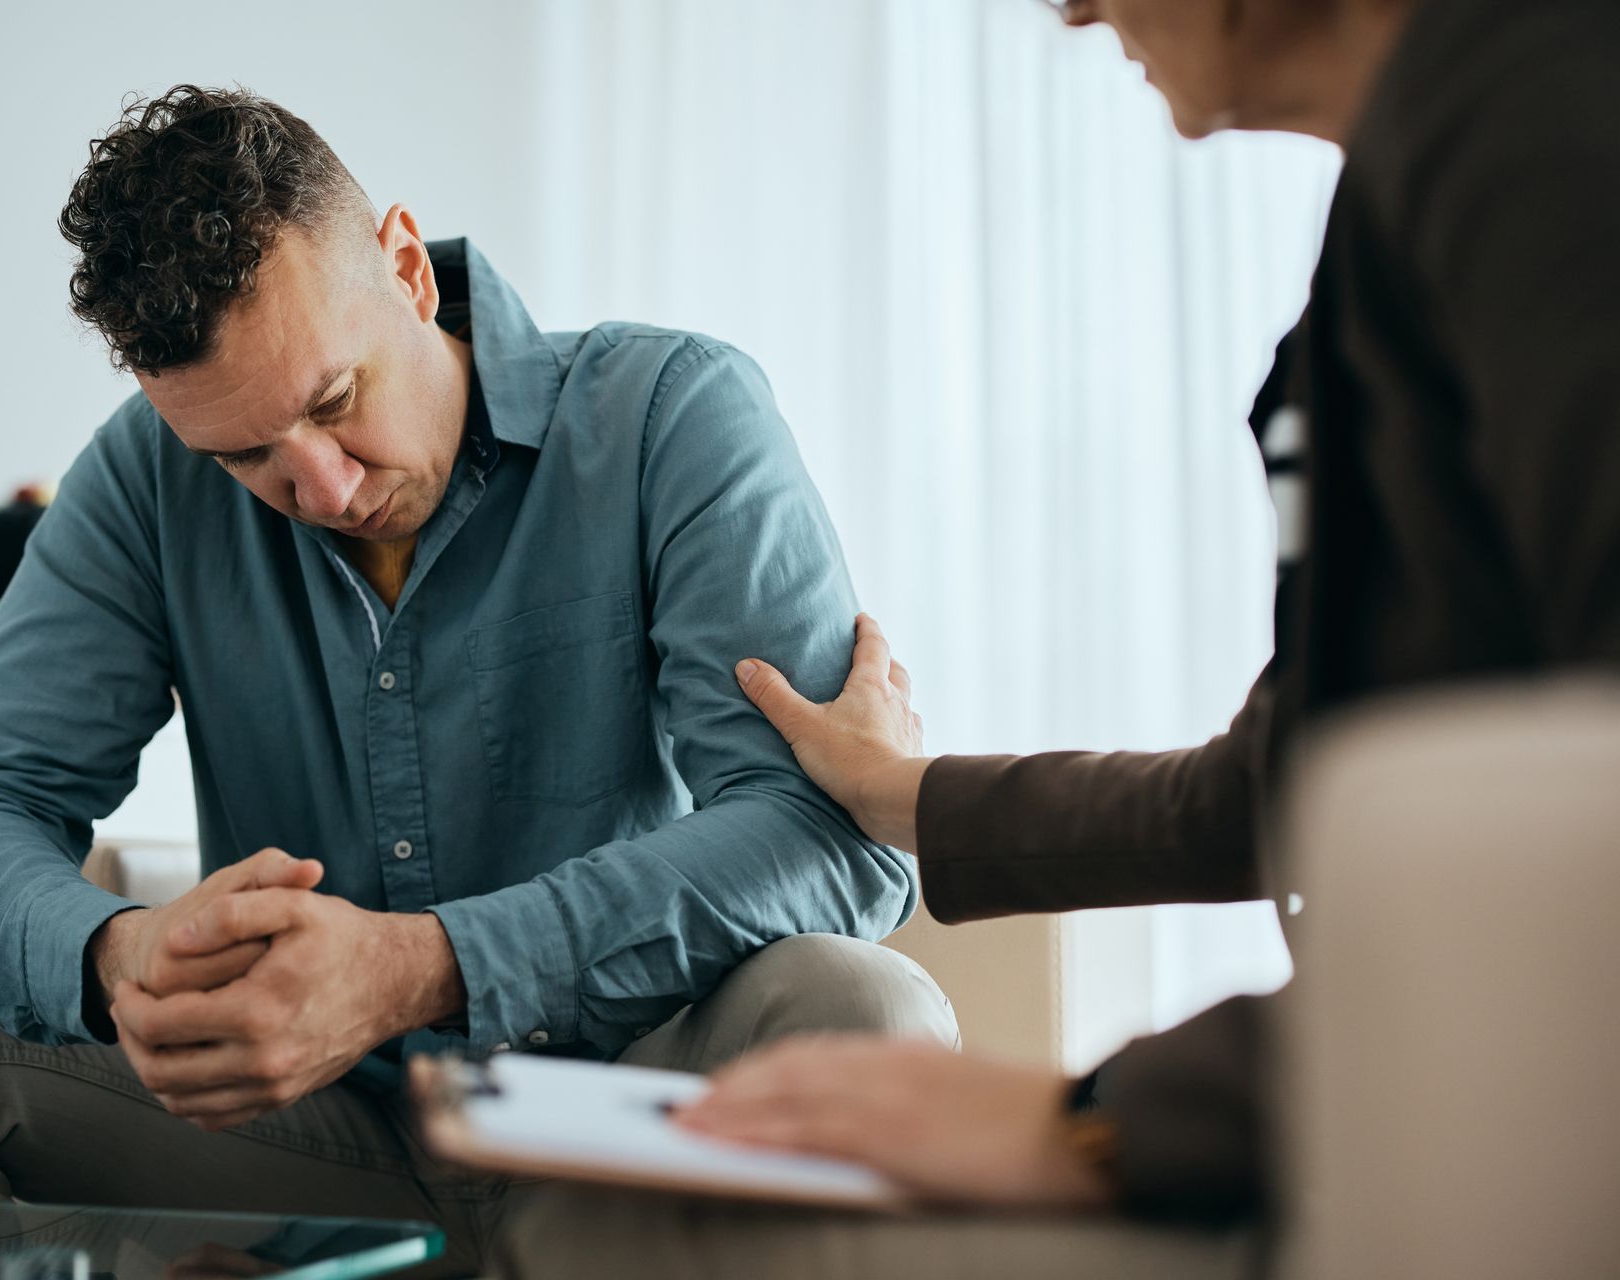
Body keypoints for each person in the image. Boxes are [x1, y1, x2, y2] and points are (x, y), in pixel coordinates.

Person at [500, 0, 1620, 1273]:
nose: (1073, 10)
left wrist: (1094, 1118)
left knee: (637, 1230)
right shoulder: (1407, 184)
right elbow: (1283, 782)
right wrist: (902, 790)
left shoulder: (1537, 111)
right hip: (1389, 1112)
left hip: (1480, 1139)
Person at [0, 85, 957, 1277]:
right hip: (323, 1140)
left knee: (864, 1003)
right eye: (246, 455)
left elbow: (834, 841)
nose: (318, 489)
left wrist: (427, 964)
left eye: (334, 403)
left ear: (408, 268)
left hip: (624, 1122)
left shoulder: (671, 417)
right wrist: (114, 958)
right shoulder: (143, 479)